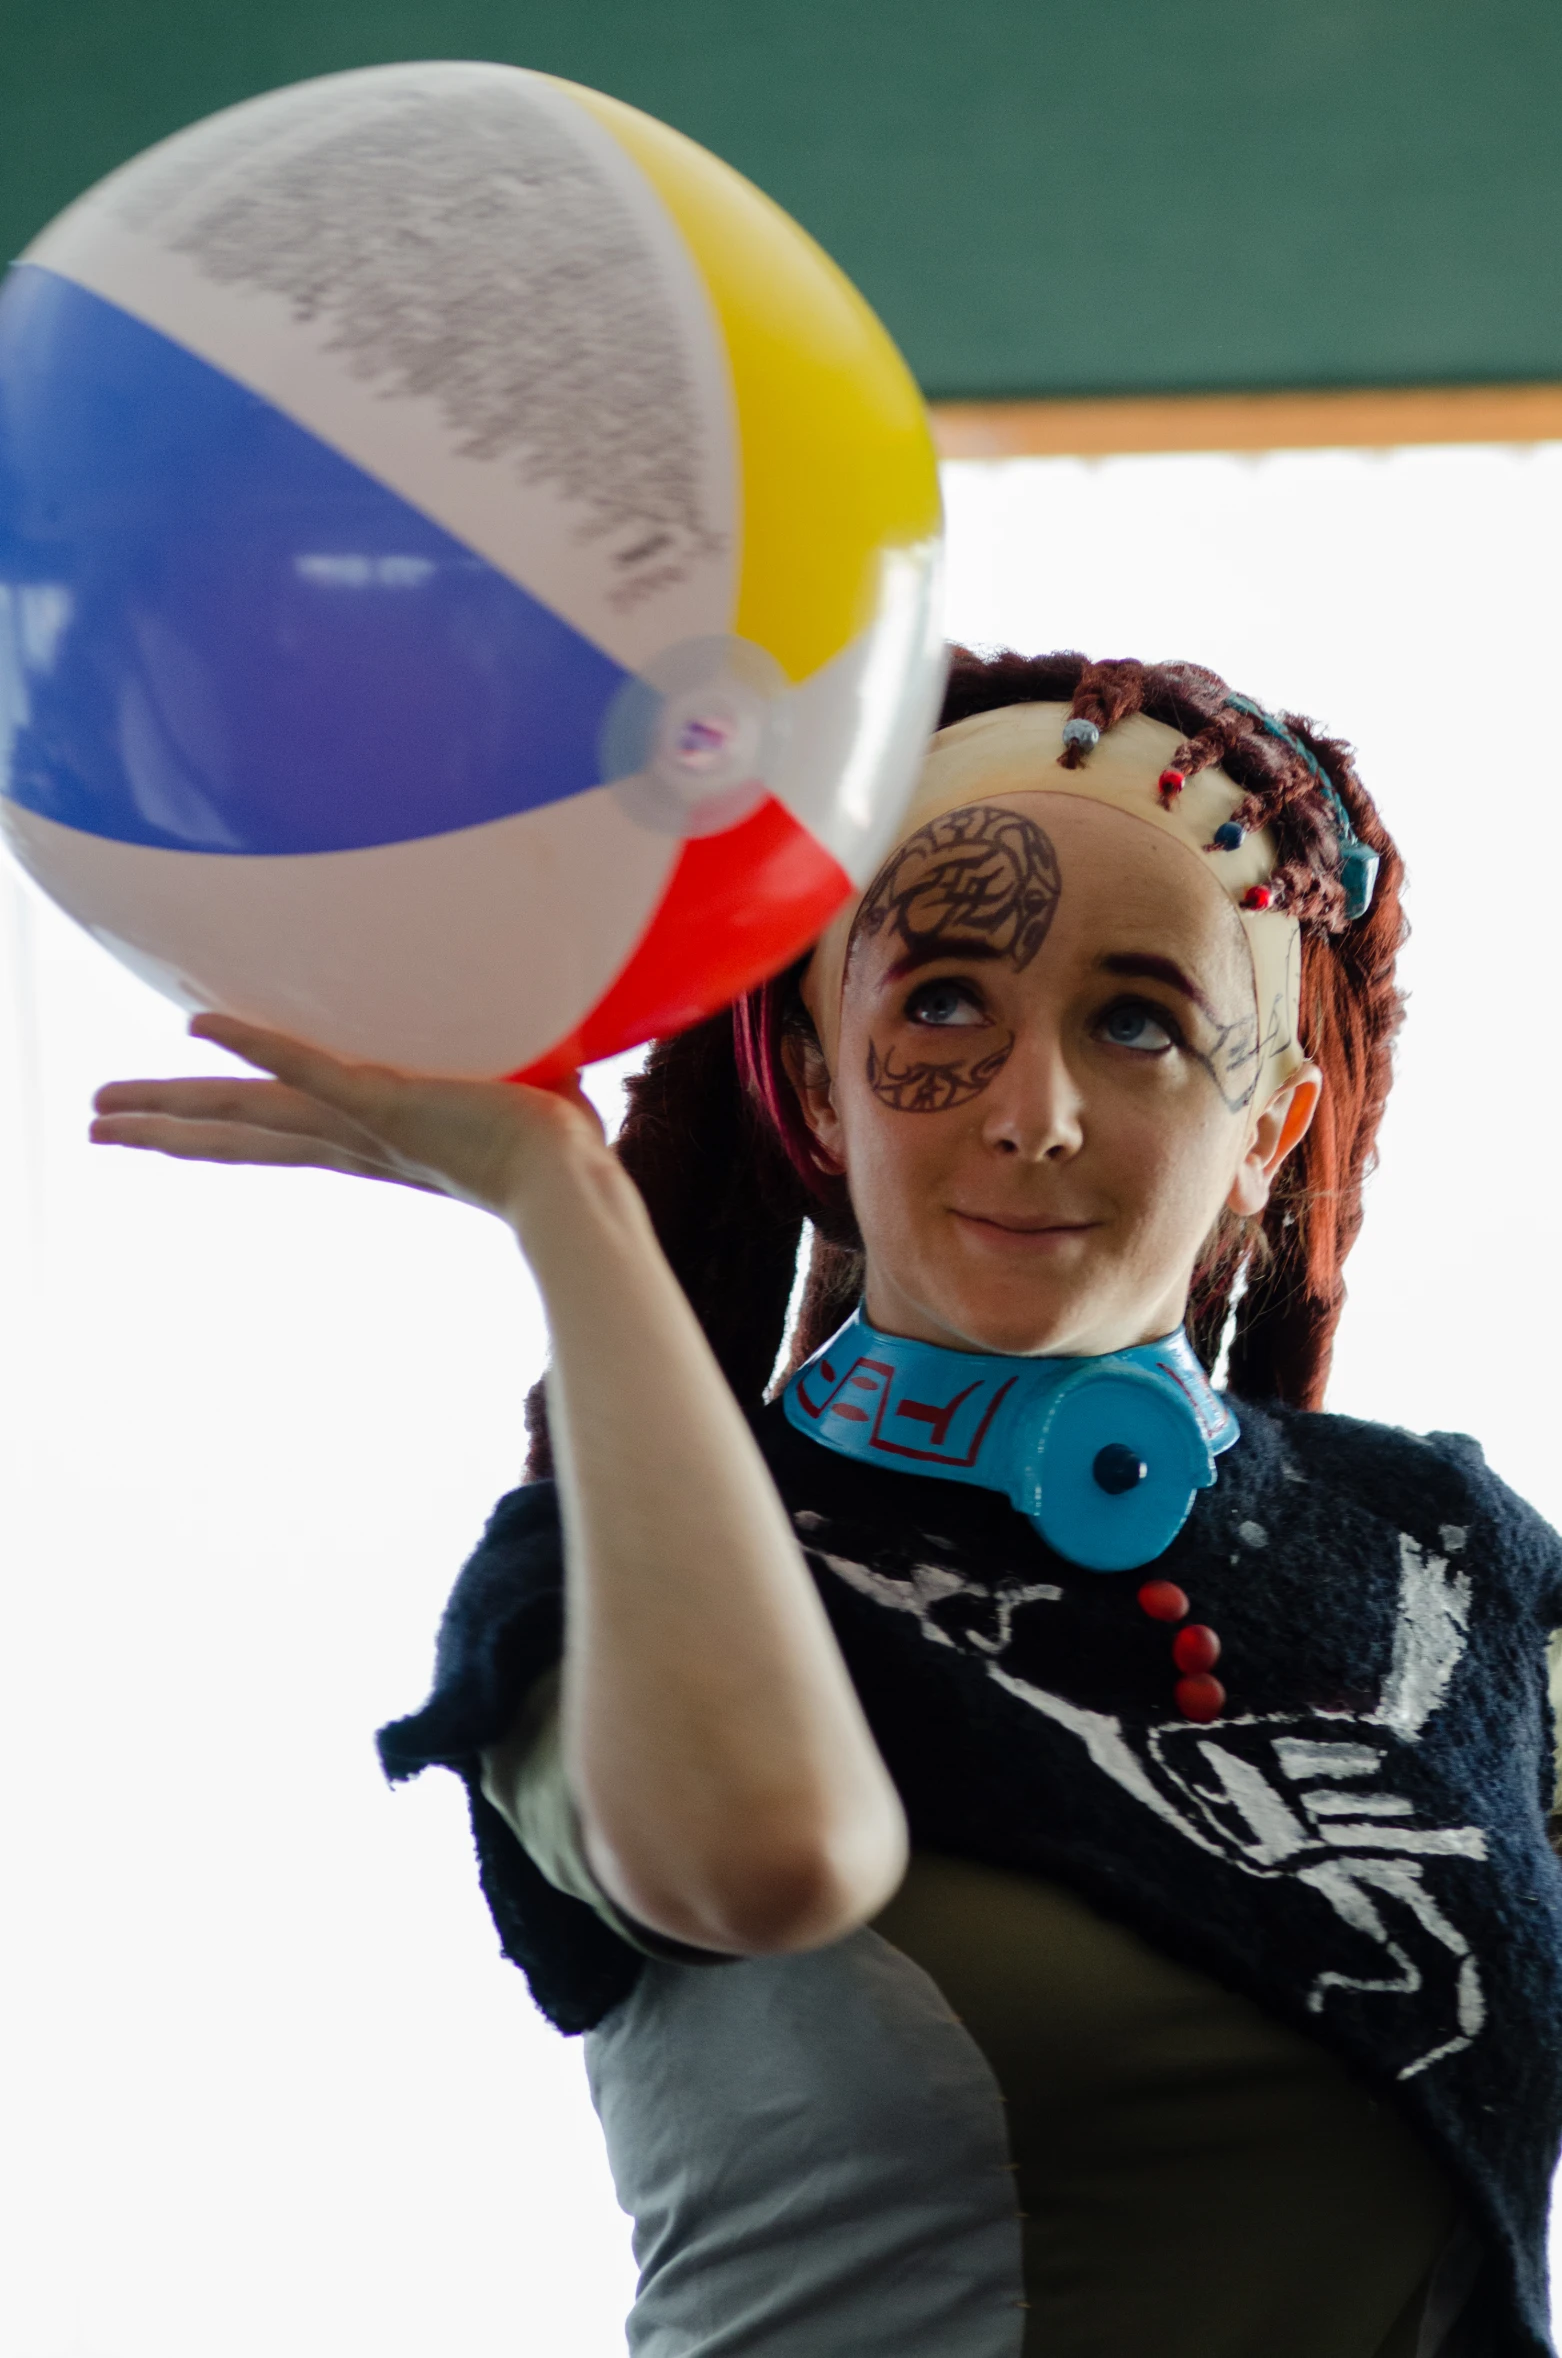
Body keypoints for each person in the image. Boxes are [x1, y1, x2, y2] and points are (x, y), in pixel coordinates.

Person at [91, 649, 1562, 2358]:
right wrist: (569, 1195)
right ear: (807, 1059)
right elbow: (769, 1856)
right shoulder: (606, 1570)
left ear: (1268, 1123)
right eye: (940, 1000)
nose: (1034, 1113)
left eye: (1138, 1020)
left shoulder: (1441, 1557)